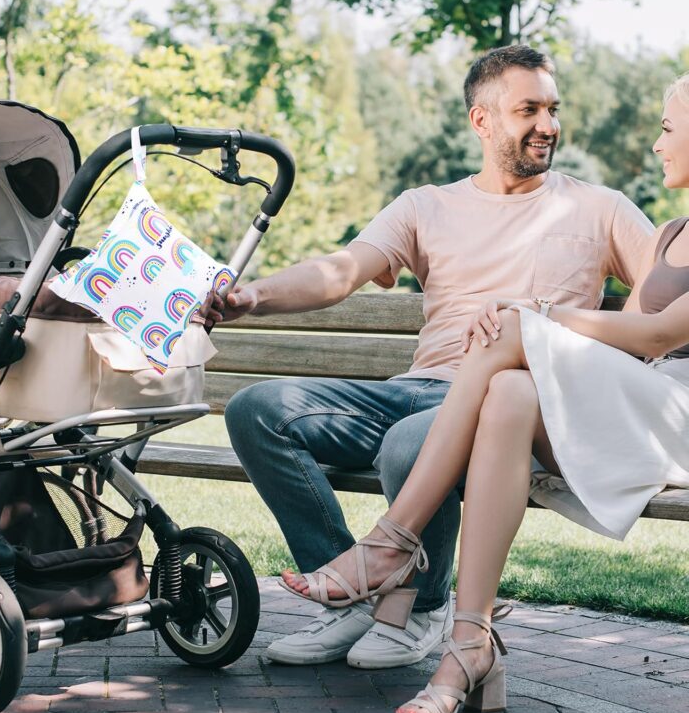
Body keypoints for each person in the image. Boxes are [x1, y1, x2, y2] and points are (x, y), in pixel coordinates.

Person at [217, 45, 653, 670]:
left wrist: (570, 338)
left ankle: (421, 606)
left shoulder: (598, 207)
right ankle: (353, 599)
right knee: (258, 409)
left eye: (552, 109)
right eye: (528, 109)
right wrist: (254, 296)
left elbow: (663, 296)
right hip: (417, 388)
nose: (548, 126)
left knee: (409, 443)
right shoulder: (426, 205)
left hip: (509, 406)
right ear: (482, 121)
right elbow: (342, 271)